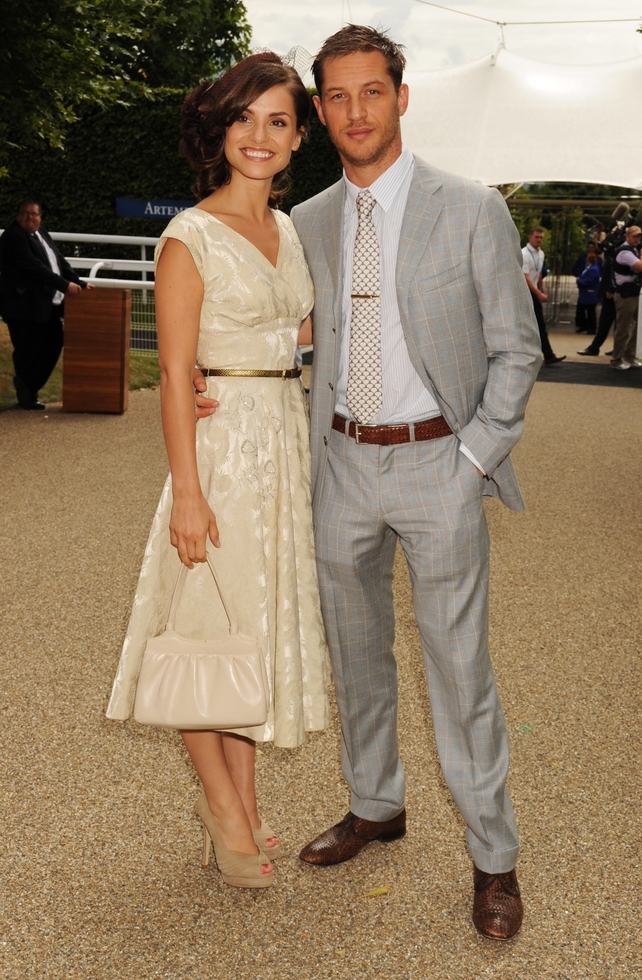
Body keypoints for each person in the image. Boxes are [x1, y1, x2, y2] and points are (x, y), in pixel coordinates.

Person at [194, 25, 541, 937]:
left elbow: (517, 347)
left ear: (400, 96)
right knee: (357, 658)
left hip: (439, 461)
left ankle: (493, 857)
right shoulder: (301, 222)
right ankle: (375, 803)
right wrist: (208, 380)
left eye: (370, 92)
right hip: (338, 462)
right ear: (322, 110)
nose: (354, 112)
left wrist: (475, 456)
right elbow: (268, 330)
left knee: (459, 669)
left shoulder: (471, 208)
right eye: (336, 97)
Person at [107, 54, 331, 889]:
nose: (260, 136)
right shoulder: (189, 236)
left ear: (298, 135)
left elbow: (296, 337)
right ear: (219, 129)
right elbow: (171, 373)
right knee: (202, 627)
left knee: (248, 630)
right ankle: (223, 810)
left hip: (283, 446)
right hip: (223, 455)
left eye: (277, 120)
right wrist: (189, 494)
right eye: (245, 118)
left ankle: (242, 798)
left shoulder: (289, 230)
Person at [0, 200, 92, 409]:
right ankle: (27, 393)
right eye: (24, 213)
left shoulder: (43, 234)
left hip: (44, 305)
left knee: (52, 343)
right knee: (27, 350)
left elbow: (58, 262)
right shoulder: (14, 237)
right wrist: (64, 285)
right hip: (22, 306)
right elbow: (35, 268)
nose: (29, 217)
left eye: (34, 214)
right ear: (17, 215)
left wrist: (79, 282)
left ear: (41, 217)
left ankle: (27, 386)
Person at [522, 227, 565, 364]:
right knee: (532, 325)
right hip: (525, 293)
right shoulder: (524, 254)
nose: (539, 240)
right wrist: (538, 293)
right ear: (530, 237)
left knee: (539, 325)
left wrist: (542, 289)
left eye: (541, 237)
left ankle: (548, 354)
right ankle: (546, 354)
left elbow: (538, 274)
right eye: (537, 237)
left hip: (534, 292)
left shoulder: (541, 254)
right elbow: (525, 277)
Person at [609, 225, 642, 370]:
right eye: (634, 236)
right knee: (623, 328)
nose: (637, 239)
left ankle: (630, 354)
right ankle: (616, 359)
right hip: (625, 294)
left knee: (639, 325)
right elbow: (640, 266)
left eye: (638, 236)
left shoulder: (633, 250)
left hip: (633, 293)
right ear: (627, 236)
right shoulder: (624, 252)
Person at [572, 242, 601, 333]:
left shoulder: (594, 268)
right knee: (581, 309)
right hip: (584, 291)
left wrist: (580, 281)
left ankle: (591, 328)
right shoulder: (587, 266)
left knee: (590, 310)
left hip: (590, 291)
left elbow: (590, 280)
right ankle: (583, 325)